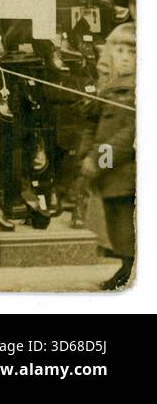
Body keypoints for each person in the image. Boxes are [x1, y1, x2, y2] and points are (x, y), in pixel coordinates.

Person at [80, 21, 135, 290]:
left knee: (127, 224)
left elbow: (128, 137)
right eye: (120, 51)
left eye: (132, 52)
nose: (125, 58)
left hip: (126, 171)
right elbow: (92, 123)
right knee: (116, 223)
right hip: (110, 171)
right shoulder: (110, 87)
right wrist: (86, 154)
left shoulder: (138, 91)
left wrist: (98, 161)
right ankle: (126, 267)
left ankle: (131, 270)